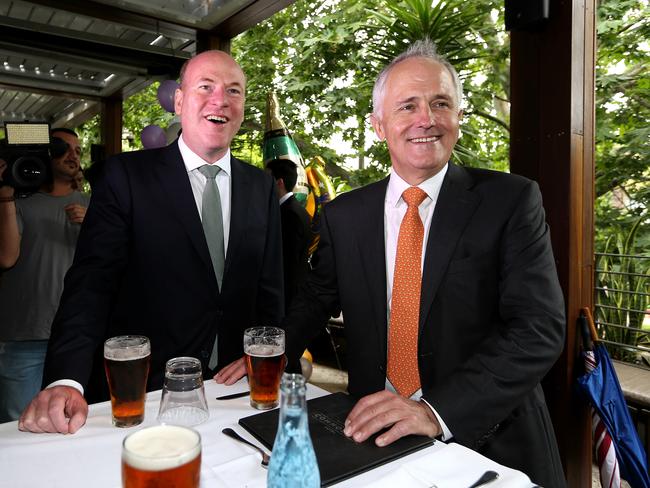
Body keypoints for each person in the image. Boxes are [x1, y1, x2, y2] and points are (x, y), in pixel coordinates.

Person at [281, 40, 567, 487]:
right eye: (407, 106)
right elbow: (318, 295)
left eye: (440, 104)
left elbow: (538, 329)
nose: (426, 119)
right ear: (379, 125)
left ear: (457, 116)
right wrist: (268, 350)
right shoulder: (345, 214)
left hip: (488, 443)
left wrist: (436, 411)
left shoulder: (511, 201)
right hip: (373, 438)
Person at [18, 50, 284, 434]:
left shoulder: (259, 185)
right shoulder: (125, 178)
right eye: (205, 87)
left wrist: (264, 355)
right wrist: (66, 379)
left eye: (234, 91)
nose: (220, 100)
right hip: (144, 394)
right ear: (179, 101)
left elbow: (269, 288)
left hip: (235, 391)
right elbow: (91, 284)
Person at [0, 128, 89, 422]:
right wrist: (4, 197)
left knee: (72, 425)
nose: (72, 155)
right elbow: (6, 257)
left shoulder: (97, 204)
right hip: (27, 335)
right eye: (62, 148)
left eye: (77, 149)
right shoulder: (17, 202)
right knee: (19, 424)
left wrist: (94, 224)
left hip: (79, 337)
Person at [265, 158, 312, 310]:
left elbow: (288, 262)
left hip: (287, 297)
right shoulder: (295, 210)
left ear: (279, 183)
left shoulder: (289, 215)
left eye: (267, 179)